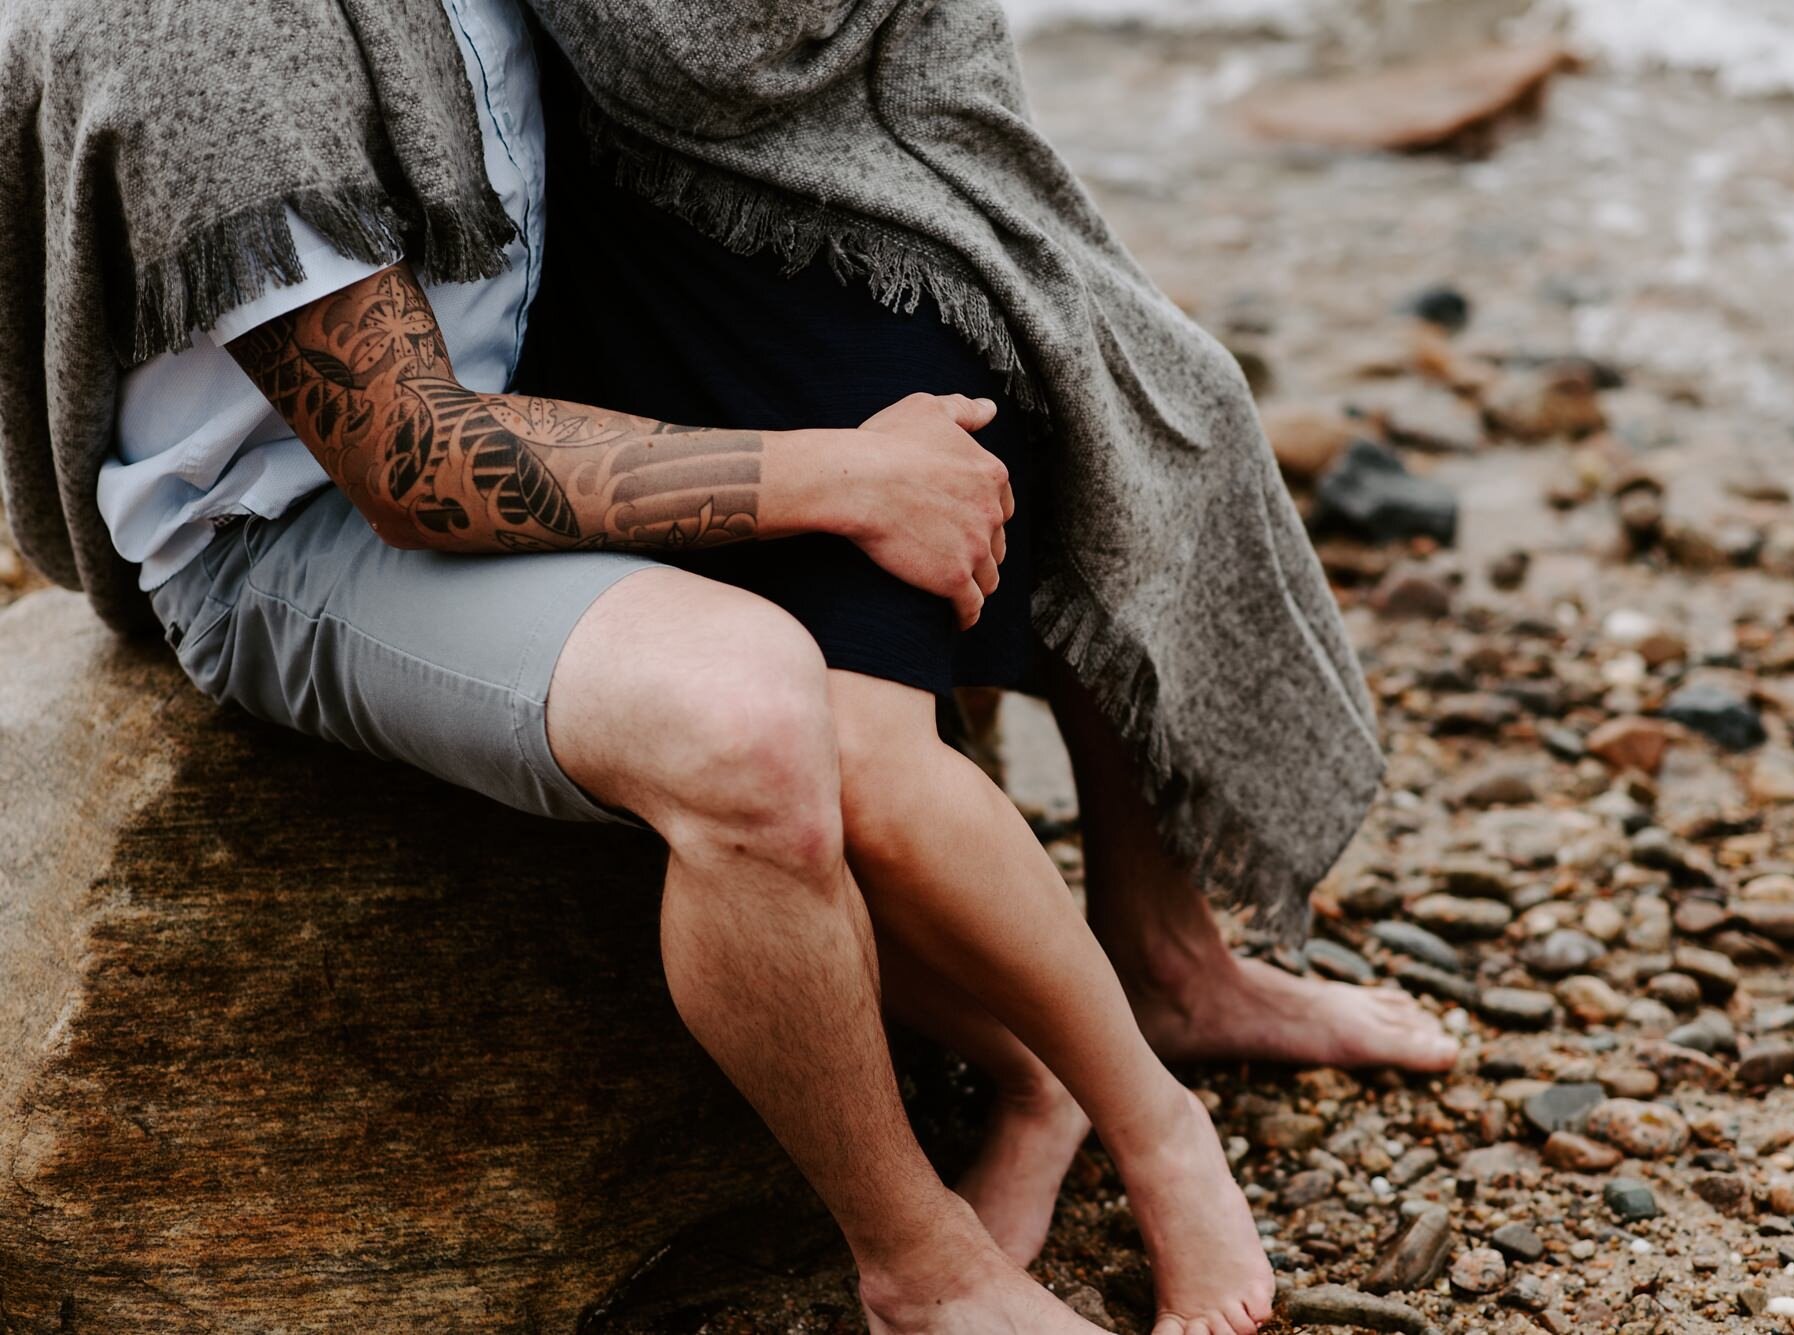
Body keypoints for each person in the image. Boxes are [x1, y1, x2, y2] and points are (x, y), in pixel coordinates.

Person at [0, 0, 1452, 1330]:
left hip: (536, 393)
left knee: (1079, 381)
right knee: (750, 719)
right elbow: (408, 463)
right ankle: (924, 1267)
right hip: (282, 532)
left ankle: (1096, 1043)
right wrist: (839, 475)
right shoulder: (198, 26)